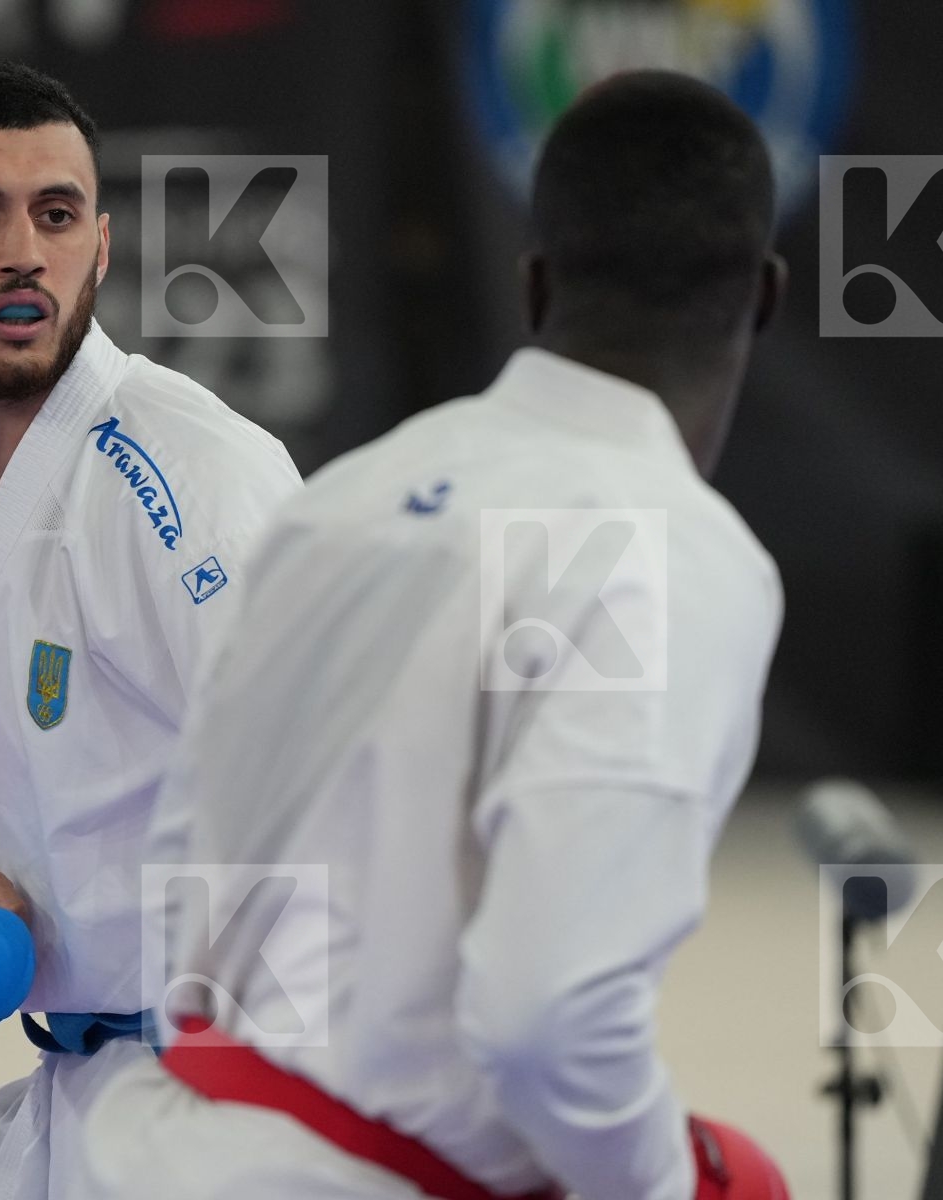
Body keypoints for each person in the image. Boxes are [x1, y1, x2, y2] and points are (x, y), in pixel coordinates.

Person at [83, 70, 791, 1200]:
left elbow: (180, 860)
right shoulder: (679, 551)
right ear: (761, 297)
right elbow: (552, 1014)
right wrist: (674, 1180)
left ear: (536, 280)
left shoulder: (346, 497)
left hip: (152, 1150)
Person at [0, 62, 301, 1200]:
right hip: (83, 1080)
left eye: (58, 215)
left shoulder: (189, 480)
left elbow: (350, 789)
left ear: (100, 244)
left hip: (246, 1100)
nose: (24, 254)